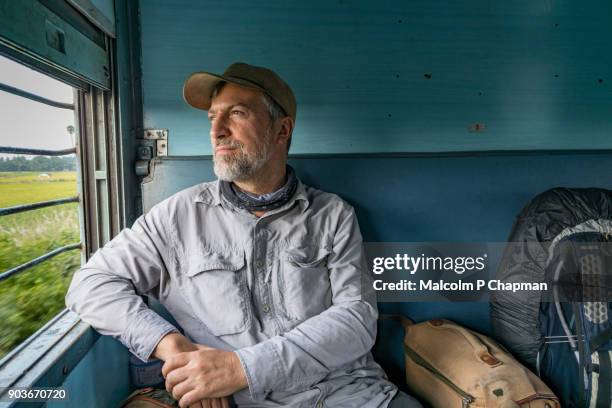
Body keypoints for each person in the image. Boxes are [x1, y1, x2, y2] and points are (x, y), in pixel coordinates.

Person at [66, 62, 421, 408]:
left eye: (236, 114)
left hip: (352, 394)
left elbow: (356, 318)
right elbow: (90, 284)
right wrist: (175, 348)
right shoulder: (178, 216)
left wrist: (241, 368)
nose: (217, 130)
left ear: (282, 130)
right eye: (212, 117)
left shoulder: (333, 214)